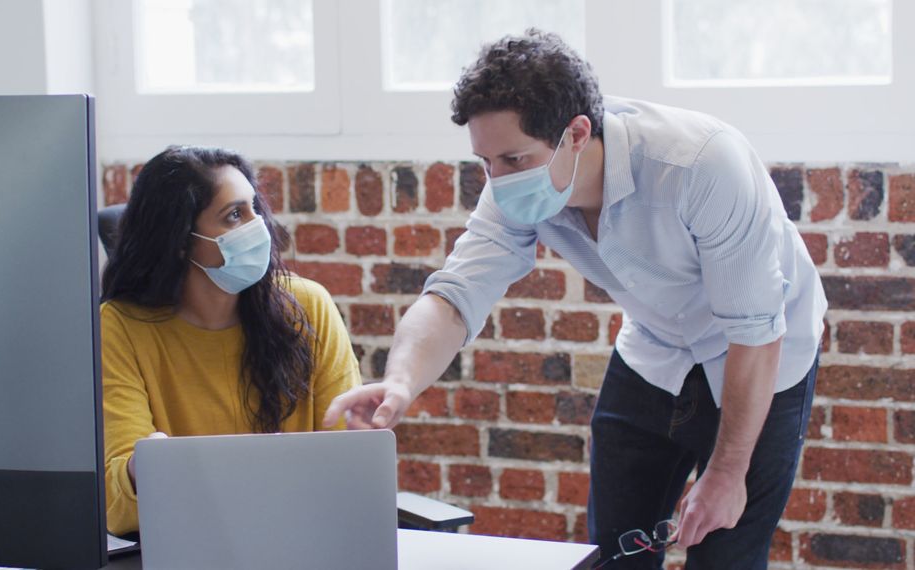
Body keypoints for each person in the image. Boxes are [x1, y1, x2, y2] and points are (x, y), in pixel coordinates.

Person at [324, 29, 826, 569]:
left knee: (725, 552)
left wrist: (727, 474)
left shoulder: (701, 165)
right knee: (611, 555)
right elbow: (455, 293)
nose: (498, 179)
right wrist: (401, 380)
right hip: (656, 347)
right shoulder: (513, 185)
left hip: (764, 352)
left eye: (513, 159)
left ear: (577, 133)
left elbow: (753, 330)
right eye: (485, 162)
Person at [101, 146, 361, 536]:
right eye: (234, 215)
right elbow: (118, 507)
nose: (259, 227)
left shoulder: (309, 305)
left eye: (255, 208)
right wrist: (142, 470)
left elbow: (349, 469)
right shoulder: (121, 327)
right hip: (188, 545)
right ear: (179, 241)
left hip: (302, 540)